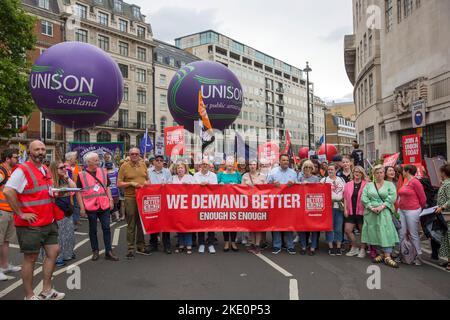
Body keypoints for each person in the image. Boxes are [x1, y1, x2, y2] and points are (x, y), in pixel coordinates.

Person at [3, 140, 65, 300]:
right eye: (37, 149)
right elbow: (8, 191)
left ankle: (47, 290)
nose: (41, 152)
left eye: (43, 149)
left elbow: (45, 190)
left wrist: (56, 193)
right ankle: (29, 295)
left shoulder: (44, 168)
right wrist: (21, 213)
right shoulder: (22, 170)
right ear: (29, 152)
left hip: (48, 221)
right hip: (31, 224)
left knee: (54, 252)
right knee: (31, 258)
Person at [76, 153, 118, 262]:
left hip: (104, 205)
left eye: (98, 160)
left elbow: (107, 187)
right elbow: (79, 193)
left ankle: (108, 251)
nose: (98, 162)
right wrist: (82, 208)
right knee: (93, 230)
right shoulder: (81, 175)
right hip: (90, 206)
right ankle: (95, 250)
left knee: (106, 228)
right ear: (88, 162)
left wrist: (111, 200)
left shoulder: (103, 172)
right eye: (95, 160)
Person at [361, 164, 400, 268]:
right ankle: (381, 253)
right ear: (374, 174)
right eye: (377, 173)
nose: (379, 175)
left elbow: (392, 197)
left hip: (384, 211)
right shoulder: (369, 185)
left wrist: (382, 206)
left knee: (386, 232)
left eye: (381, 172)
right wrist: (371, 207)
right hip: (371, 212)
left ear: (384, 173)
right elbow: (364, 197)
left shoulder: (389, 184)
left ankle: (388, 256)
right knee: (374, 232)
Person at [118, 147, 150, 259]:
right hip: (130, 197)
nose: (134, 155)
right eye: (132, 154)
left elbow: (148, 179)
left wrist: (147, 183)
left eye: (136, 154)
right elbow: (119, 183)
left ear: (139, 154)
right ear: (129, 155)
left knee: (141, 223)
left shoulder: (143, 165)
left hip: (142, 197)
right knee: (131, 224)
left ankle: (141, 246)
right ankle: (130, 248)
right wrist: (131, 183)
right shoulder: (124, 166)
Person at [266, 154, 298, 255]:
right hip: (276, 203)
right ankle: (277, 245)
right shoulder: (273, 172)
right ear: (279, 161)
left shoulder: (293, 173)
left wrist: (293, 183)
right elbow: (266, 186)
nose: (285, 162)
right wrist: (272, 184)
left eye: (287, 160)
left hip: (288, 203)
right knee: (276, 225)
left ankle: (290, 245)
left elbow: (298, 187)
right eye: (283, 160)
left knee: (289, 224)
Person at [397, 164, 427, 265]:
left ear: (408, 171)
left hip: (412, 210)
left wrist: (419, 209)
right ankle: (402, 254)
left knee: (413, 234)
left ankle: (418, 256)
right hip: (402, 210)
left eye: (403, 171)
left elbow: (423, 198)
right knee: (401, 233)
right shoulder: (406, 181)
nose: (402, 172)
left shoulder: (415, 182)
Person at [49, 161, 76, 266]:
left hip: (67, 208)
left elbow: (73, 187)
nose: (64, 169)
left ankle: (67, 254)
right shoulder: (51, 180)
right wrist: (61, 192)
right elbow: (52, 194)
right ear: (55, 169)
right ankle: (57, 257)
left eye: (65, 167)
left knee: (68, 233)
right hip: (57, 209)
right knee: (59, 235)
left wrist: (67, 177)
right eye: (61, 168)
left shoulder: (65, 178)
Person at [0, 149, 21, 281]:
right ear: (8, 159)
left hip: (9, 210)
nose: (17, 159)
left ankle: (5, 265)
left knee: (6, 241)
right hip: (1, 210)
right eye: (15, 157)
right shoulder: (1, 171)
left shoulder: (10, 171)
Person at [148, 155, 173, 254]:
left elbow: (171, 183)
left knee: (165, 222)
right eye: (157, 160)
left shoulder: (167, 171)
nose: (159, 162)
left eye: (161, 160)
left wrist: (165, 185)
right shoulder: (148, 171)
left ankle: (167, 245)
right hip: (152, 200)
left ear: (163, 162)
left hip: (164, 200)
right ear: (153, 162)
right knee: (153, 221)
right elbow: (145, 183)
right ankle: (153, 244)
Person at [241, 159, 266, 254]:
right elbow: (241, 189)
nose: (252, 166)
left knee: (258, 225)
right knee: (251, 225)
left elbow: (266, 189)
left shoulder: (263, 177)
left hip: (259, 204)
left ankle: (257, 244)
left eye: (254, 164)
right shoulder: (245, 176)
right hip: (248, 204)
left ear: (257, 166)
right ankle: (252, 243)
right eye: (250, 164)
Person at [321, 163, 346, 256]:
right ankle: (331, 246)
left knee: (339, 227)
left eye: (332, 169)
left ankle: (338, 246)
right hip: (328, 207)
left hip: (339, 206)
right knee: (329, 227)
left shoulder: (342, 180)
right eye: (329, 169)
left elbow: (345, 193)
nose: (330, 171)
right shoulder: (324, 180)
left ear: (336, 170)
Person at [194, 158, 218, 254]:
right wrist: (200, 185)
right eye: (203, 164)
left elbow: (215, 188)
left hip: (210, 203)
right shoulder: (196, 175)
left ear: (209, 166)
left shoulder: (213, 175)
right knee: (201, 224)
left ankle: (211, 244)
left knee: (211, 224)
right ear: (200, 165)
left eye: (206, 164)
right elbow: (193, 187)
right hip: (199, 203)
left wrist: (208, 185)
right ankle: (201, 244)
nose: (204, 165)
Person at [343, 166, 367, 258]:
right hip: (350, 210)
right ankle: (354, 247)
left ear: (362, 174)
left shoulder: (366, 184)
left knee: (362, 231)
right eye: (355, 172)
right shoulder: (348, 184)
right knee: (347, 230)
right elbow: (345, 198)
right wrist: (345, 209)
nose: (357, 173)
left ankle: (363, 249)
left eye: (359, 172)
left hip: (362, 211)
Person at [218, 159, 242, 252]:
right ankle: (226, 242)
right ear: (225, 165)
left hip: (235, 202)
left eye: (231, 164)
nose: (230, 166)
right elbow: (214, 187)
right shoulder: (220, 174)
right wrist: (220, 185)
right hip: (223, 202)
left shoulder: (237, 174)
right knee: (225, 222)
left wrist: (236, 185)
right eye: (228, 164)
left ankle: (233, 242)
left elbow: (242, 187)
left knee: (234, 222)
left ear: (234, 165)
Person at [171, 161, 195, 254]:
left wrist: (189, 186)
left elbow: (196, 189)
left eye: (182, 168)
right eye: (178, 168)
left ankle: (189, 244)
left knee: (187, 225)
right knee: (178, 225)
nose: (180, 169)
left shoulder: (190, 178)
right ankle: (181, 244)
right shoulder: (173, 178)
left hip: (187, 205)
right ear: (176, 170)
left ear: (185, 169)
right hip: (176, 205)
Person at [298, 160, 321, 256]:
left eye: (309, 167)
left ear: (312, 169)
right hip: (301, 206)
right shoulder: (299, 178)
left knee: (314, 228)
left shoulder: (316, 178)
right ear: (303, 168)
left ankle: (313, 247)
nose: (307, 169)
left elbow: (319, 190)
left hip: (313, 206)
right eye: (305, 167)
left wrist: (310, 185)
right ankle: (303, 246)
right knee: (302, 227)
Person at [436, 164, 450, 271]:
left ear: (444, 173)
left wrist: (442, 207)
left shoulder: (448, 184)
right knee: (446, 239)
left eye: (441, 172)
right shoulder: (445, 183)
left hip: (447, 215)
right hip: (444, 216)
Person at [64, 152, 82, 226]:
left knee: (75, 205)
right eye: (74, 158)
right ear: (70, 159)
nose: (75, 160)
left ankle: (75, 220)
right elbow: (68, 182)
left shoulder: (67, 167)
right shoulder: (67, 168)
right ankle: (72, 222)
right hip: (70, 192)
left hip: (72, 191)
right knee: (72, 206)